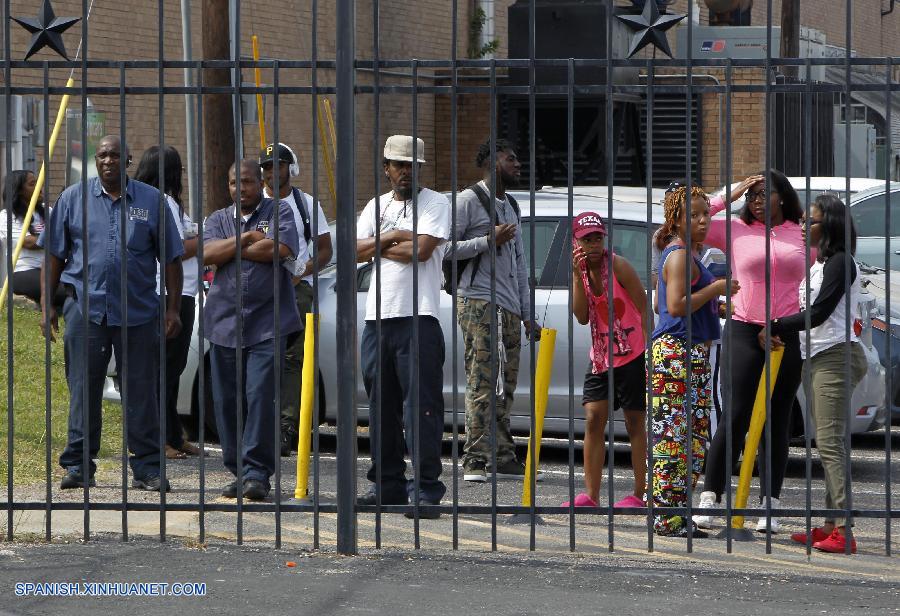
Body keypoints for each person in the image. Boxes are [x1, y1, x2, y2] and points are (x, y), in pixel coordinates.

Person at [38, 135, 184, 492]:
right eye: (102, 155)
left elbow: (172, 259)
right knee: (83, 390)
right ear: (96, 160)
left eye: (115, 155)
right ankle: (78, 465)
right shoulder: (73, 199)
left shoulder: (153, 202)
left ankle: (147, 468)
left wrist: (173, 309)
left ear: (128, 160)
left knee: (141, 392)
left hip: (138, 312)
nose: (108, 161)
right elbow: (53, 257)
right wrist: (46, 307)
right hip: (85, 311)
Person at [696, 170, 808, 533]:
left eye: (764, 194)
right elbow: (684, 225)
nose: (757, 201)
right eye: (753, 195)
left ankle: (769, 505)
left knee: (777, 421)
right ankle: (710, 498)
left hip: (786, 332)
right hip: (744, 328)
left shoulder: (802, 231)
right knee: (736, 415)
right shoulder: (735, 228)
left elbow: (836, 253)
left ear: (783, 196)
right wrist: (731, 193)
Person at [356, 135, 450, 518]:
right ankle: (389, 485)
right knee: (382, 409)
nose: (405, 171)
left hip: (419, 317)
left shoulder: (435, 203)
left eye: (412, 165)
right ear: (386, 168)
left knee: (421, 410)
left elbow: (423, 251)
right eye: (398, 164)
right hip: (377, 319)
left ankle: (427, 490)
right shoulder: (375, 206)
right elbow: (353, 250)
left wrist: (378, 243)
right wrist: (396, 235)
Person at [769, 195, 867, 554]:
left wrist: (778, 324)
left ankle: (843, 529)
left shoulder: (840, 262)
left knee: (828, 443)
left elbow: (821, 312)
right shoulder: (821, 263)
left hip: (835, 356)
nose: (804, 227)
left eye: (811, 221)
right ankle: (830, 525)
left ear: (829, 226)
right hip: (820, 356)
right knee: (831, 443)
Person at [203, 160, 301, 501]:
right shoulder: (217, 219)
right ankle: (238, 471)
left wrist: (231, 250)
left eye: (245, 181)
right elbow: (207, 253)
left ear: (260, 182)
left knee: (260, 397)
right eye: (233, 183)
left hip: (267, 324)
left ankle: (257, 473)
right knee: (227, 402)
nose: (238, 188)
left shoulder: (279, 212)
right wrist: (246, 238)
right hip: (223, 324)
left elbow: (280, 249)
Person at [444, 138, 537, 482]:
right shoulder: (468, 201)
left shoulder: (511, 203)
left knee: (504, 384)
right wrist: (486, 240)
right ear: (490, 162)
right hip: (479, 301)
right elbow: (445, 249)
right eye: (510, 157)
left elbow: (520, 261)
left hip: (509, 305)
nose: (517, 163)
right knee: (482, 381)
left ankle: (502, 454)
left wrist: (527, 313)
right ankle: (475, 459)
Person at [650, 185, 738, 537]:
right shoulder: (680, 255)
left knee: (690, 437)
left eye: (706, 214)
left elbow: (674, 304)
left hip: (689, 351)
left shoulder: (686, 254)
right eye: (695, 215)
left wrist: (713, 305)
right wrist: (715, 289)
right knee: (674, 436)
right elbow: (674, 306)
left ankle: (676, 513)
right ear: (676, 219)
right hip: (677, 353)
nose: (703, 221)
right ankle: (668, 517)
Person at [565, 211, 648, 509]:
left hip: (633, 353)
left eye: (598, 237)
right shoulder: (581, 271)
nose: (594, 244)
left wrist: (650, 351)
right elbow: (582, 316)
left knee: (635, 421)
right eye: (587, 239)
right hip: (601, 356)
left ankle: (640, 493)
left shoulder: (619, 266)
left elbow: (643, 307)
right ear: (576, 242)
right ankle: (592, 495)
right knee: (593, 419)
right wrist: (577, 277)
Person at [258, 142, 333, 456]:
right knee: (259, 358)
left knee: (293, 360)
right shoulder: (253, 203)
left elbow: (325, 249)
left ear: (292, 168)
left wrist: (302, 271)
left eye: (279, 165)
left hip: (295, 290)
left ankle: (285, 429)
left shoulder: (306, 204)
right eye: (267, 167)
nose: (273, 172)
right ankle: (257, 426)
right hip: (258, 291)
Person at [134, 145, 203, 460]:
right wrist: (207, 242)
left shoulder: (172, 203)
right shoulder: (158, 202)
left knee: (174, 368)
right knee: (161, 369)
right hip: (166, 293)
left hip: (184, 291)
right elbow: (174, 249)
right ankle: (157, 439)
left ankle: (174, 434)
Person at [0, 170, 66, 307]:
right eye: (32, 184)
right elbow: (29, 242)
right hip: (25, 271)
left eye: (38, 182)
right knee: (67, 291)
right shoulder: (7, 216)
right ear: (18, 191)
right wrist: (58, 236)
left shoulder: (47, 211)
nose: (39, 187)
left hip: (52, 268)